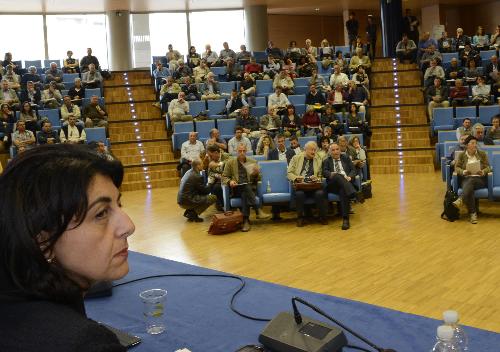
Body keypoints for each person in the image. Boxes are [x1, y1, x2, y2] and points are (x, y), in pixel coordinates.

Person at [0, 144, 135, 352]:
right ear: (43, 242)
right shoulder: (84, 344)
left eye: (119, 204)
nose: (129, 226)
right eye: (100, 214)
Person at [222, 143, 270, 232]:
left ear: (246, 151)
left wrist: (256, 174)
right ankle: (257, 210)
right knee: (245, 188)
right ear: (236, 152)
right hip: (236, 189)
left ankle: (245, 221)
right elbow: (224, 177)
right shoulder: (230, 162)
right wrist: (230, 181)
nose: (242, 153)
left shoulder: (252, 162)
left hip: (250, 189)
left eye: (244, 151)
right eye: (240, 151)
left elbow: (259, 178)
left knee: (245, 191)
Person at [323, 142, 364, 230]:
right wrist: (331, 174)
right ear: (330, 152)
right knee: (338, 175)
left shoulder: (346, 158)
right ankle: (354, 193)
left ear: (340, 150)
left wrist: (349, 176)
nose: (336, 152)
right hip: (333, 185)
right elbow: (324, 172)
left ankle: (345, 220)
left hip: (346, 185)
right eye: (333, 150)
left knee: (343, 191)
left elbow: (353, 170)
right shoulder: (326, 161)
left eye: (337, 149)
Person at [452, 135, 491, 224]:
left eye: (475, 143)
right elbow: (457, 168)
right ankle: (473, 214)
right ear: (467, 145)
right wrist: (463, 171)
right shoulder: (462, 155)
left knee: (471, 181)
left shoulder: (482, 154)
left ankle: (461, 199)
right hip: (466, 179)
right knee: (470, 189)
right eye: (472, 143)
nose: (475, 145)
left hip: (480, 180)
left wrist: (483, 171)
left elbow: (489, 167)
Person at [287, 141, 327, 227]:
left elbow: (320, 175)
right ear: (305, 150)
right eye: (311, 150)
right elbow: (289, 173)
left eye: (315, 150)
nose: (313, 152)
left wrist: (316, 178)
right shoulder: (296, 158)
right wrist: (296, 178)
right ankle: (300, 218)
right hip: (301, 184)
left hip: (313, 185)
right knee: (299, 194)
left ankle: (322, 216)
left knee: (320, 193)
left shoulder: (318, 159)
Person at [204, 144, 230, 210]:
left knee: (216, 187)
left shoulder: (226, 156)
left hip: (228, 178)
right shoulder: (211, 158)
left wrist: (218, 164)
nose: (209, 157)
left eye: (210, 155)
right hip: (218, 178)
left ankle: (224, 204)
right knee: (208, 187)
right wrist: (217, 175)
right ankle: (219, 203)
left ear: (216, 153)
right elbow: (210, 172)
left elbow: (229, 167)